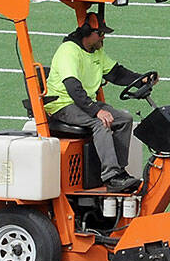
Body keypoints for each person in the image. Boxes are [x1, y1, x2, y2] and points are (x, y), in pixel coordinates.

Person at [43, 12, 155, 193]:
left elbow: (116, 73)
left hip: (83, 102)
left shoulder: (96, 51)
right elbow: (73, 87)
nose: (103, 38)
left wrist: (142, 79)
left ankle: (119, 171)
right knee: (100, 122)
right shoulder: (68, 51)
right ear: (88, 32)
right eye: (101, 34)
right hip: (62, 104)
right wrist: (96, 111)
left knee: (124, 119)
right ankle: (111, 177)